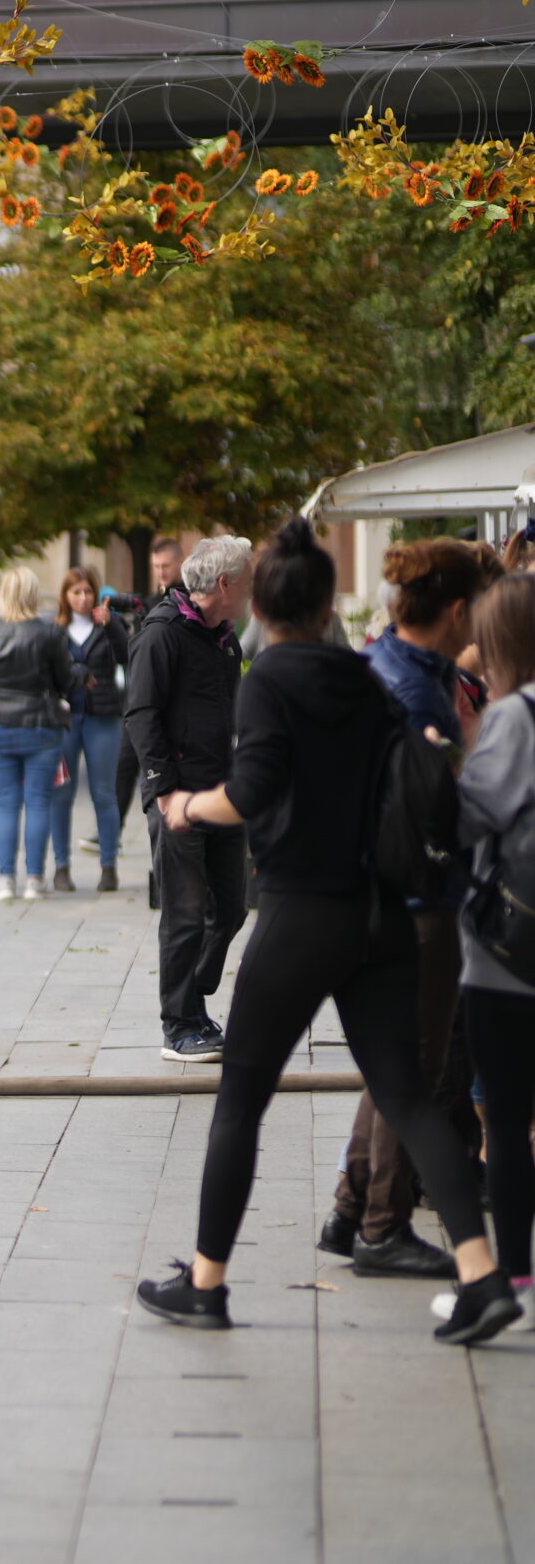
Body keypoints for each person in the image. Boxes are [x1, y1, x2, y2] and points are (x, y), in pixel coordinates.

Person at [135, 518, 515, 1344]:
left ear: (264, 607)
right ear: (321, 603)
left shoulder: (268, 677)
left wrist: (186, 805)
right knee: (409, 1097)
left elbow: (254, 788)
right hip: (377, 914)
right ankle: (484, 1275)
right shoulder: (365, 674)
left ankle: (205, 1283)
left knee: (239, 1101)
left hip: (302, 913)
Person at [322, 538, 503, 1278]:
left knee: (392, 1062)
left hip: (389, 890)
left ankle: (349, 1206)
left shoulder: (391, 666)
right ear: (457, 609)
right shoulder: (413, 686)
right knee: (419, 1069)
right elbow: (440, 806)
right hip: (419, 895)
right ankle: (381, 1225)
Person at [126, 535, 252, 1064]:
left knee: (231, 907)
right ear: (224, 585)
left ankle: (193, 998)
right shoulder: (162, 635)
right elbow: (140, 715)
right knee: (183, 912)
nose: (251, 592)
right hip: (177, 795)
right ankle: (178, 1024)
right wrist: (163, 790)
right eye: (246, 581)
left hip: (220, 791)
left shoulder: (224, 638)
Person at [450, 572, 535, 1327]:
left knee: (505, 1121)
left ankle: (511, 1276)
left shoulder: (513, 719)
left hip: (510, 953)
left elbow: (469, 819)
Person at [0, 566, 75, 903]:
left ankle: (5, 880)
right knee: (39, 802)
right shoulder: (49, 634)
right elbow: (66, 682)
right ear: (32, 595)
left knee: (7, 804)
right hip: (41, 725)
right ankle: (34, 879)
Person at [53, 566, 129, 894]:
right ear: (65, 597)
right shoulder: (56, 630)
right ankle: (61, 867)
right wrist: (77, 674)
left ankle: (108, 866)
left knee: (104, 792)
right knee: (61, 793)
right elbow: (49, 671)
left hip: (103, 716)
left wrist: (111, 626)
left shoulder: (108, 625)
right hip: (66, 719)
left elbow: (127, 655)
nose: (83, 599)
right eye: (76, 593)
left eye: (88, 592)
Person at [114, 536, 186, 824]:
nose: (160, 571)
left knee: (152, 767)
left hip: (167, 699)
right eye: (155, 566)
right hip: (141, 696)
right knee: (125, 765)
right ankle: (113, 829)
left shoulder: (185, 599)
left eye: (165, 565)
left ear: (180, 563)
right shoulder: (154, 601)